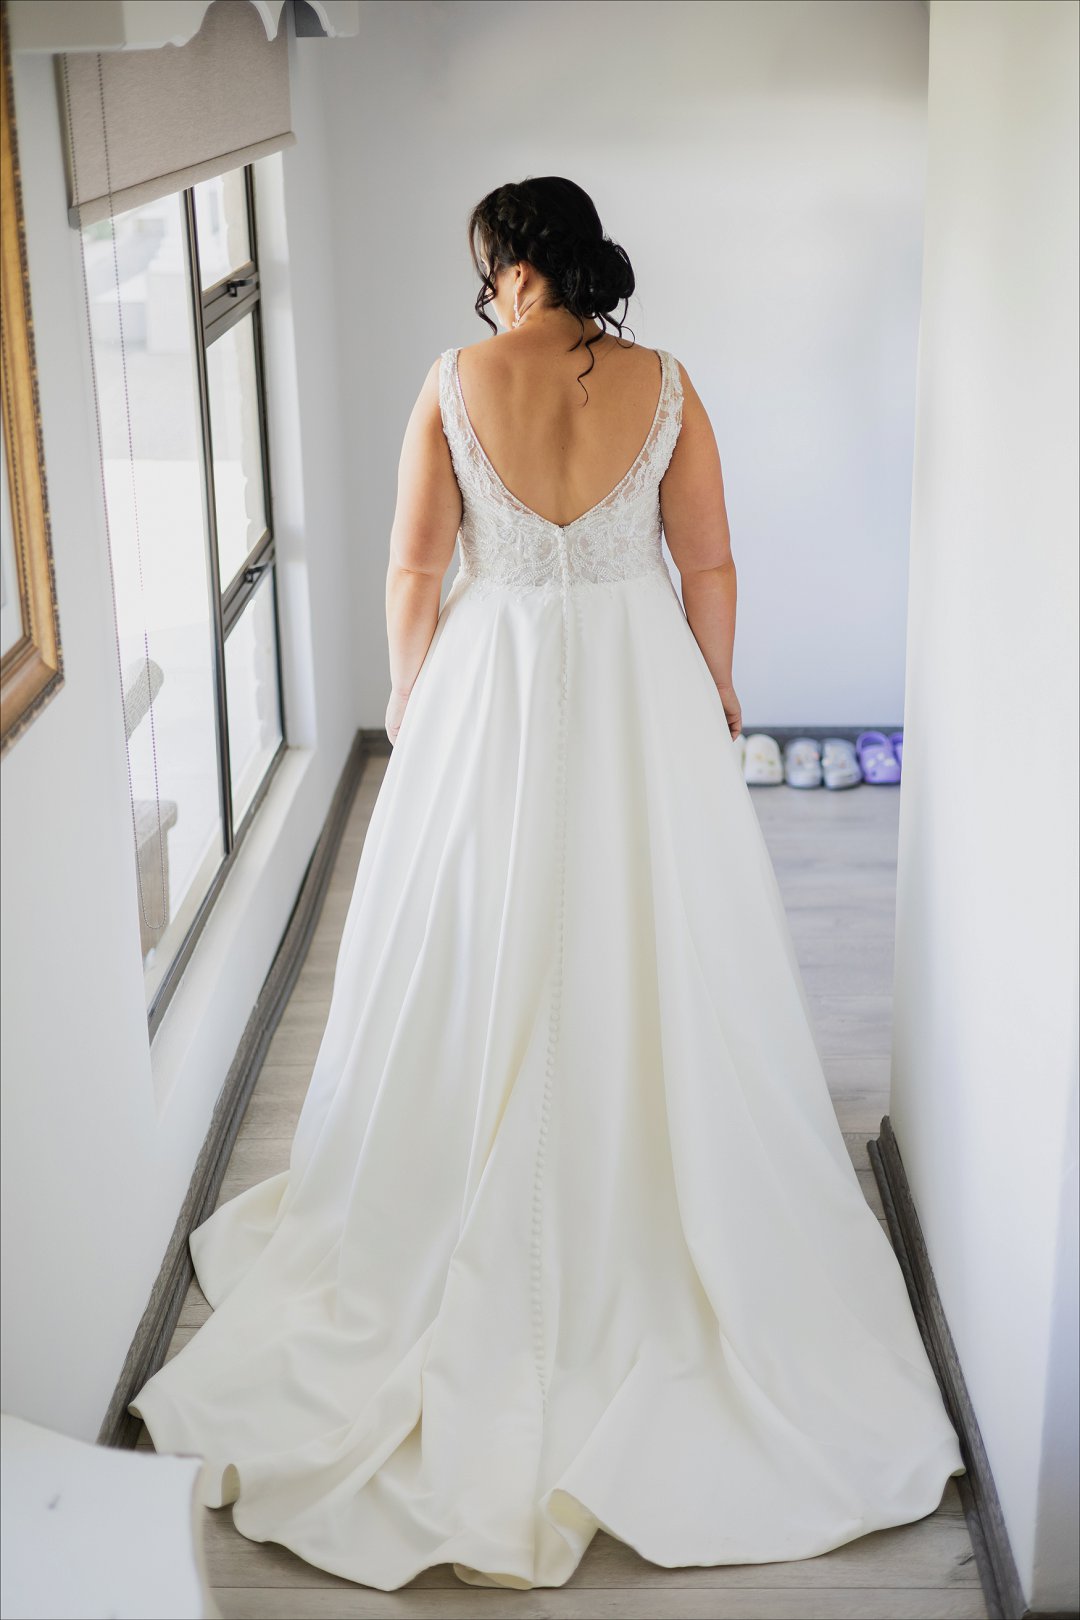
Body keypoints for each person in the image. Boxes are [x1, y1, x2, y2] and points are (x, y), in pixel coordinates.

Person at [129, 176, 965, 1593]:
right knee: (657, 939)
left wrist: (415, 699)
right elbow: (709, 562)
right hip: (640, 682)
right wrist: (717, 684)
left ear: (512, 266)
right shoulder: (668, 383)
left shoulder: (452, 381)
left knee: (472, 938)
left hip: (492, 686)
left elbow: (414, 569)